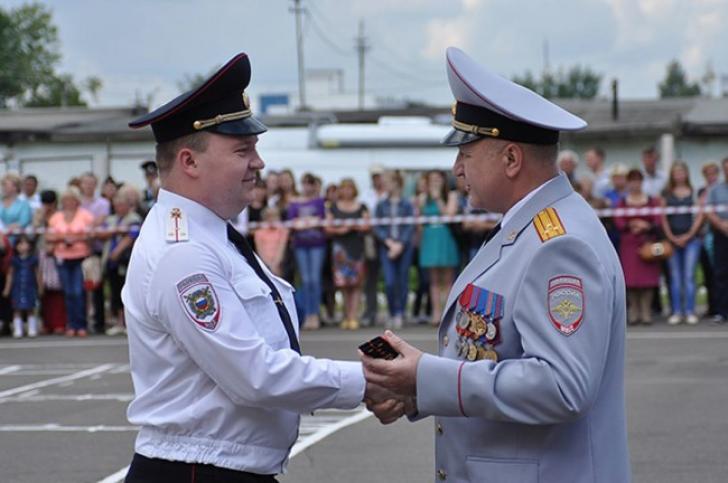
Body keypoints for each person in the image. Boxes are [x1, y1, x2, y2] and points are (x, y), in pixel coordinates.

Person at [361, 47, 630, 483]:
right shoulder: (527, 229)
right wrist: (417, 392)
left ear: (510, 159)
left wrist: (427, 377)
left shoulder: (557, 245)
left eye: (466, 153)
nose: (456, 169)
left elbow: (561, 387)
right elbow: (497, 358)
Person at [124, 53, 385, 482]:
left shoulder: (209, 233)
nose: (259, 163)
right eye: (243, 150)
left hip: (217, 466)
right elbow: (256, 376)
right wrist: (375, 381)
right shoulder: (184, 250)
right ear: (189, 161)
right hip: (199, 470)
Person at [615, 169, 662, 325]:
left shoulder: (651, 200)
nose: (635, 184)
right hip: (629, 244)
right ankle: (634, 312)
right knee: (631, 280)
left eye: (638, 180)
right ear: (628, 183)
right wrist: (632, 224)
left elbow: (658, 219)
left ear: (642, 182)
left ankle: (646, 312)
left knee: (647, 280)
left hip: (648, 244)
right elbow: (618, 221)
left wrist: (645, 225)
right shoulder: (622, 201)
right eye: (632, 181)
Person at [46, 187, 95, 337]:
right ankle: (71, 324)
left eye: (71, 199)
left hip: (80, 257)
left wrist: (76, 239)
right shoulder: (56, 217)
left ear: (76, 201)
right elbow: (48, 237)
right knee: (68, 293)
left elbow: (91, 234)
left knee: (79, 292)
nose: (68, 202)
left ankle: (81, 324)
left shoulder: (85, 215)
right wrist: (63, 239)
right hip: (62, 257)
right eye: (65, 200)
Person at [661, 162, 704, 325]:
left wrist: (689, 235)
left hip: (691, 240)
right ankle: (677, 311)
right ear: (672, 175)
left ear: (686, 174)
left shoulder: (694, 193)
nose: (679, 175)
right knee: (675, 277)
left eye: (682, 172)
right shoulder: (666, 194)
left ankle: (690, 311)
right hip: (672, 241)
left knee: (689, 276)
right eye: (676, 172)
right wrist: (671, 236)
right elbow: (663, 217)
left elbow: (699, 216)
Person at [325, 178, 369, 330]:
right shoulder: (333, 207)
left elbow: (367, 225)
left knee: (356, 284)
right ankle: (345, 315)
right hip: (340, 249)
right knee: (343, 284)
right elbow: (328, 227)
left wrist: (354, 226)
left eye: (349, 188)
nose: (346, 191)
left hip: (356, 248)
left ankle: (353, 316)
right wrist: (341, 230)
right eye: (343, 188)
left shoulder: (362, 206)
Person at [416, 169, 459, 326]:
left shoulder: (451, 195)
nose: (435, 182)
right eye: (431, 179)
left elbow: (449, 215)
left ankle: (447, 313)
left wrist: (438, 199)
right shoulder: (422, 198)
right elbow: (419, 220)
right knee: (433, 279)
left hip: (445, 236)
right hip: (429, 238)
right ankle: (436, 313)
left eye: (438, 179)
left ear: (443, 180)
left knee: (448, 278)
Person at [374, 170, 415, 330]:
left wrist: (400, 244)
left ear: (397, 183)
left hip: (404, 248)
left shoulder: (407, 204)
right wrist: (389, 242)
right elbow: (377, 225)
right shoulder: (381, 204)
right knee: (389, 281)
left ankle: (401, 312)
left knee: (402, 280)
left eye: (388, 181)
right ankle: (392, 312)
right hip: (387, 247)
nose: (385, 184)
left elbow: (410, 225)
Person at [99, 188, 143, 335]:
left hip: (126, 260)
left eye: (122, 204)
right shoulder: (111, 219)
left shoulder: (134, 218)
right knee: (115, 292)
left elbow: (132, 235)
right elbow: (101, 233)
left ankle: (128, 323)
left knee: (129, 292)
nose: (119, 207)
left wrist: (117, 251)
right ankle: (119, 322)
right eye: (116, 205)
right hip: (111, 262)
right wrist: (116, 231)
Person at [287, 172, 327, 330]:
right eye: (304, 183)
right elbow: (292, 221)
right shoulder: (294, 203)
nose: (307, 186)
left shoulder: (319, 201)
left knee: (314, 279)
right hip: (300, 244)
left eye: (310, 183)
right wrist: (310, 221)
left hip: (317, 244)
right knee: (305, 280)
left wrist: (305, 223)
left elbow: (322, 219)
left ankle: (315, 314)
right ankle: (307, 314)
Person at [33, 190, 67, 334]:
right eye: (45, 202)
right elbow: (32, 232)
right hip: (41, 253)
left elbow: (62, 233)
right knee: (43, 290)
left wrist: (53, 247)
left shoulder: (60, 215)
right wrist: (40, 218)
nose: (48, 206)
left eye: (50, 203)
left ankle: (59, 323)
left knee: (58, 290)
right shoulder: (38, 215)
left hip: (57, 253)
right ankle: (46, 323)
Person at [2, 234, 41, 338]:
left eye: (25, 243)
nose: (23, 246)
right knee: (16, 309)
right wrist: (7, 288)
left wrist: (40, 286)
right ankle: (18, 329)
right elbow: (10, 274)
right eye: (20, 244)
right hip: (17, 286)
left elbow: (38, 274)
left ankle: (32, 328)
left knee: (31, 308)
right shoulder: (14, 260)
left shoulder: (33, 259)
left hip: (30, 286)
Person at [705, 157, 728, 324]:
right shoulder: (715, 189)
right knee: (720, 272)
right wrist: (721, 224)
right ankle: (721, 311)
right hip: (721, 234)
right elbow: (709, 210)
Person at [697, 162, 720, 318]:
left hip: (717, 233)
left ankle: (720, 307)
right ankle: (712, 306)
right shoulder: (701, 191)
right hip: (704, 236)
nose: (710, 176)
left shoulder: (721, 189)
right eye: (707, 173)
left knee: (720, 272)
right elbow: (699, 211)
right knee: (708, 273)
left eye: (713, 173)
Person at [253, 206, 289, 277]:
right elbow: (260, 250)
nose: (271, 219)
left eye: (274, 216)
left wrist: (275, 263)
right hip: (264, 263)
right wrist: (268, 264)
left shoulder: (283, 231)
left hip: (279, 263)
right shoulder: (258, 232)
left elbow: (281, 248)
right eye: (269, 217)